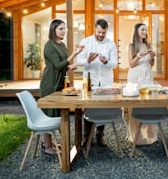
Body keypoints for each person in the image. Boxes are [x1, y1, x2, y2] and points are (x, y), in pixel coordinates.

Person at [40, 19, 84, 155]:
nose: (64, 31)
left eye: (65, 29)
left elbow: (62, 64)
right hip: (50, 83)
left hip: (60, 82)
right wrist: (74, 54)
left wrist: (70, 66)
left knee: (58, 113)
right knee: (49, 114)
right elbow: (57, 65)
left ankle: (51, 142)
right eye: (61, 29)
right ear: (53, 30)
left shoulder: (62, 45)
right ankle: (47, 145)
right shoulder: (49, 46)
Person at [76, 19, 118, 147]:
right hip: (90, 81)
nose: (101, 35)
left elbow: (115, 64)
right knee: (88, 107)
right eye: (99, 32)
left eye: (103, 33)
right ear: (95, 29)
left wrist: (106, 62)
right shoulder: (86, 42)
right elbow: (78, 61)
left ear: (107, 31)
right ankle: (86, 138)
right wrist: (88, 60)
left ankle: (100, 137)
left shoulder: (111, 44)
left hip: (105, 82)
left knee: (103, 108)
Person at [126, 23, 157, 145]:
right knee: (135, 104)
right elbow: (131, 64)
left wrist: (152, 57)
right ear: (137, 31)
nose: (145, 31)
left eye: (146, 29)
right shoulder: (131, 46)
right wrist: (139, 55)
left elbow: (151, 64)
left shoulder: (148, 45)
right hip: (135, 74)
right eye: (142, 29)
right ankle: (135, 136)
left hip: (147, 73)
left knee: (149, 103)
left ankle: (150, 135)